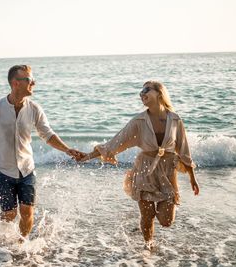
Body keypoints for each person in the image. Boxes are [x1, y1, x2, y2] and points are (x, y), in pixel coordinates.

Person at [80, 81, 199, 245]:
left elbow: (184, 151)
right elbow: (114, 143)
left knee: (166, 220)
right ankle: (147, 249)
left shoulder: (175, 120)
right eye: (140, 91)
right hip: (144, 170)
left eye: (146, 90)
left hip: (167, 172)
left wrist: (193, 177)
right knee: (147, 216)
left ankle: (146, 228)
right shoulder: (138, 121)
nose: (142, 94)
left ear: (159, 93)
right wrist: (87, 156)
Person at [0, 65, 84, 239]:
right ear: (15, 83)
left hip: (27, 169)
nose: (34, 82)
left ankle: (22, 244)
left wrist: (67, 149)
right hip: (3, 170)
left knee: (27, 211)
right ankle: (2, 239)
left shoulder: (34, 109)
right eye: (29, 80)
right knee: (9, 215)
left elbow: (47, 134)